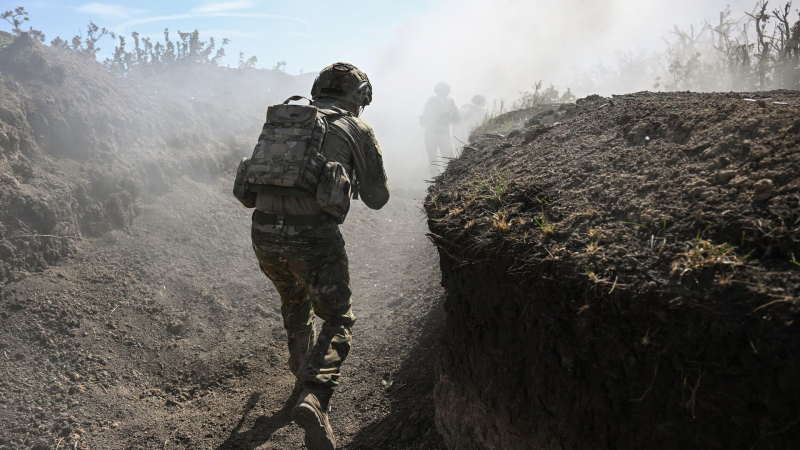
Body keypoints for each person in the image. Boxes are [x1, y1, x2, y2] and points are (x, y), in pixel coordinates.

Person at [234, 62, 389, 450]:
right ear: (360, 97)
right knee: (338, 317)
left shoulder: (287, 119)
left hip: (264, 231)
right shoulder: (357, 127)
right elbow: (377, 198)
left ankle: (299, 367)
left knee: (293, 297)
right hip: (314, 237)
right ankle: (315, 397)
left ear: (319, 88)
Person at [419, 82, 460, 176]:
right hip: (439, 135)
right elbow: (457, 119)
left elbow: (457, 119)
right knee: (445, 159)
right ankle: (444, 181)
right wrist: (448, 116)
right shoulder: (449, 101)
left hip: (433, 134)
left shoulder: (430, 102)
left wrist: (448, 116)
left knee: (436, 160)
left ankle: (439, 181)